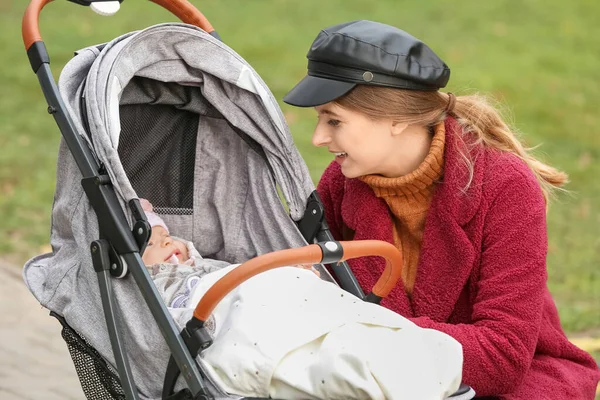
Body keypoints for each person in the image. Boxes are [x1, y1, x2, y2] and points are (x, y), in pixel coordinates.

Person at [283, 20, 600, 399]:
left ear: (396, 119)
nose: (318, 138)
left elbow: (503, 357)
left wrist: (366, 335)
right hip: (381, 377)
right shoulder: (342, 182)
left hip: (515, 380)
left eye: (334, 120)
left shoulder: (505, 185)